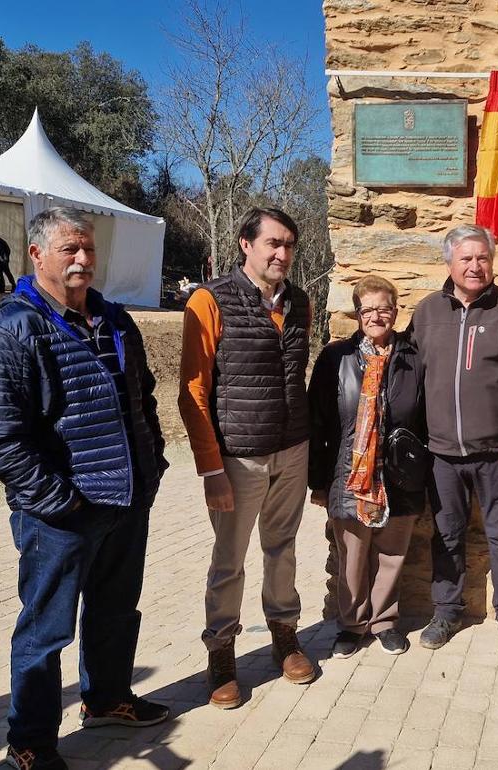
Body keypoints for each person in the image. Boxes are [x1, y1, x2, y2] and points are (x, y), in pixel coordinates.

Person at [0, 208, 170, 770]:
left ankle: (107, 700)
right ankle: (30, 741)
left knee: (115, 610)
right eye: (68, 250)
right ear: (36, 256)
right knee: (45, 631)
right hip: (62, 515)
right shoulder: (5, 333)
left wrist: (152, 464)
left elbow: (143, 400)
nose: (82, 259)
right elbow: (0, 443)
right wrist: (63, 502)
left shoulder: (116, 321)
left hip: (127, 499)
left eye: (87, 249)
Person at [179, 206, 315, 710]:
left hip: (292, 449)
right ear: (246, 244)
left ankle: (284, 634)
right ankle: (221, 653)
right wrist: (211, 468)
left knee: (283, 549)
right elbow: (192, 389)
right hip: (238, 457)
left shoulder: (299, 302)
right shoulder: (209, 299)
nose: (282, 253)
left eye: (289, 245)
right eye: (273, 243)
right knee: (228, 560)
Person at [409, 224, 498, 655]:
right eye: (466, 258)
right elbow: (409, 376)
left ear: (492, 261)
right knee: (446, 535)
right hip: (440, 455)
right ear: (449, 263)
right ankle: (446, 611)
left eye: (482, 258)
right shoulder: (427, 312)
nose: (475, 266)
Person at [308, 275, 427, 658]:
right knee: (353, 556)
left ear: (396, 311)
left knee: (392, 553)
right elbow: (318, 422)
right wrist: (318, 481)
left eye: (385, 308)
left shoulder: (413, 357)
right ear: (358, 314)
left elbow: (426, 416)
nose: (377, 316)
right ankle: (352, 623)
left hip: (399, 472)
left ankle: (385, 621)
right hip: (349, 471)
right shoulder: (335, 358)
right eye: (368, 309)